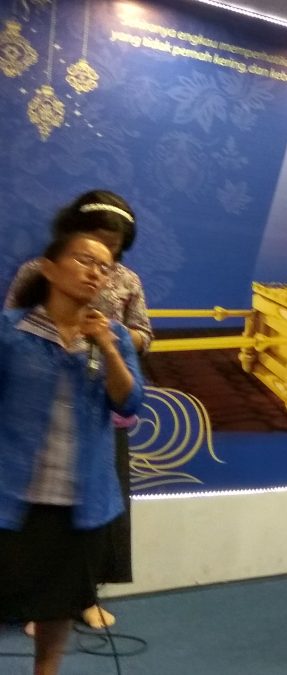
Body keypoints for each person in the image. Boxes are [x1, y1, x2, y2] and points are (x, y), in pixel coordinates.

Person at [4, 190, 152, 632]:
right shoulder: (38, 269)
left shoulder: (126, 280)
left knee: (95, 506)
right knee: (32, 513)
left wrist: (112, 338)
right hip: (34, 402)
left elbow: (144, 333)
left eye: (113, 245)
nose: (100, 259)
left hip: (96, 403)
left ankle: (84, 596)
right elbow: (14, 320)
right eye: (95, 240)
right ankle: (36, 602)